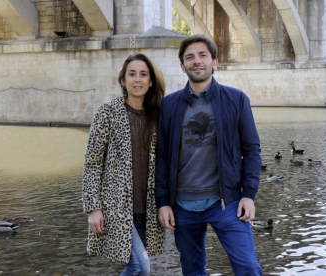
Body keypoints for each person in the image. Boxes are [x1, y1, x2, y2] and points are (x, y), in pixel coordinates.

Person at [155, 35, 263, 276]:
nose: (197, 61)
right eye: (190, 57)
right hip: (182, 205)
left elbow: (252, 150)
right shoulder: (170, 105)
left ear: (215, 62)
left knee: (248, 268)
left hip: (226, 203)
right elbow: (162, 157)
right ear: (182, 66)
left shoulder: (236, 99)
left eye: (203, 55)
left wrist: (249, 195)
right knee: (192, 271)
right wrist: (163, 202)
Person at [82, 53, 166, 275]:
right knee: (141, 265)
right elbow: (92, 164)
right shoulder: (107, 113)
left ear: (150, 82)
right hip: (115, 208)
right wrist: (93, 208)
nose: (137, 80)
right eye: (132, 74)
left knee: (135, 266)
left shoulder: (157, 118)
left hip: (147, 208)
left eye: (143, 75)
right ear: (123, 80)